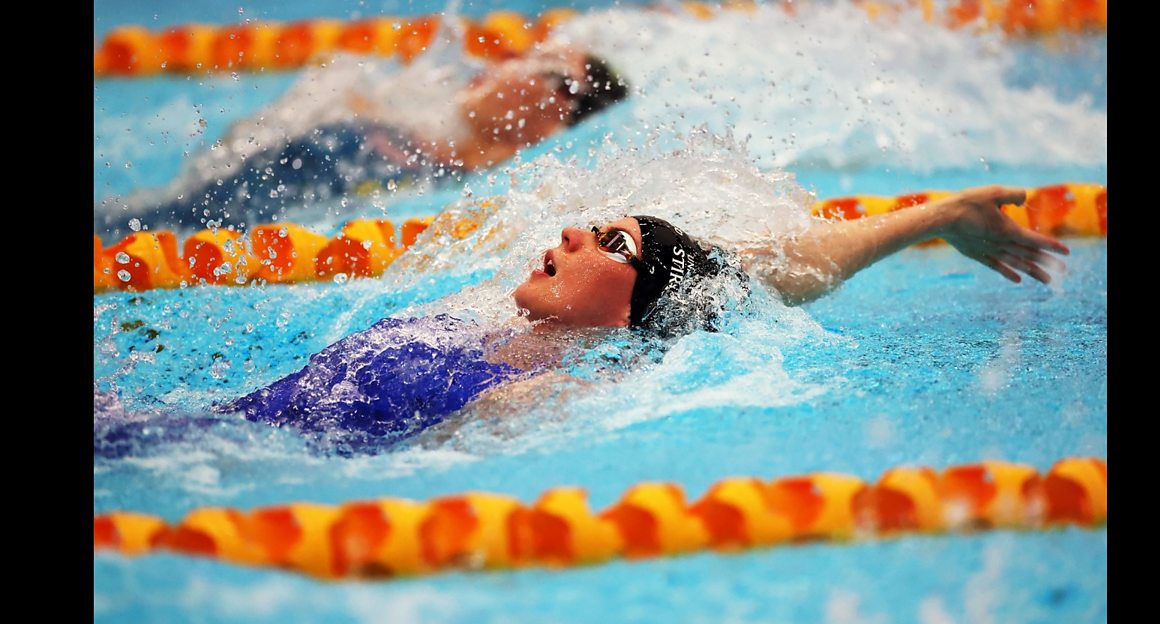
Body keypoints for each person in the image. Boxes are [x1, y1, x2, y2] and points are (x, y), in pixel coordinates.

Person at [218, 185, 1068, 448]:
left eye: (607, 242)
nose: (567, 234)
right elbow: (772, 266)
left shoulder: (536, 396)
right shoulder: (490, 323)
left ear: (634, 311)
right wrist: (936, 217)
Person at [93, 44, 629, 241]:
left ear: (558, 110)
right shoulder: (419, 132)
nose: (514, 60)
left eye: (546, 67)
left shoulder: (460, 182)